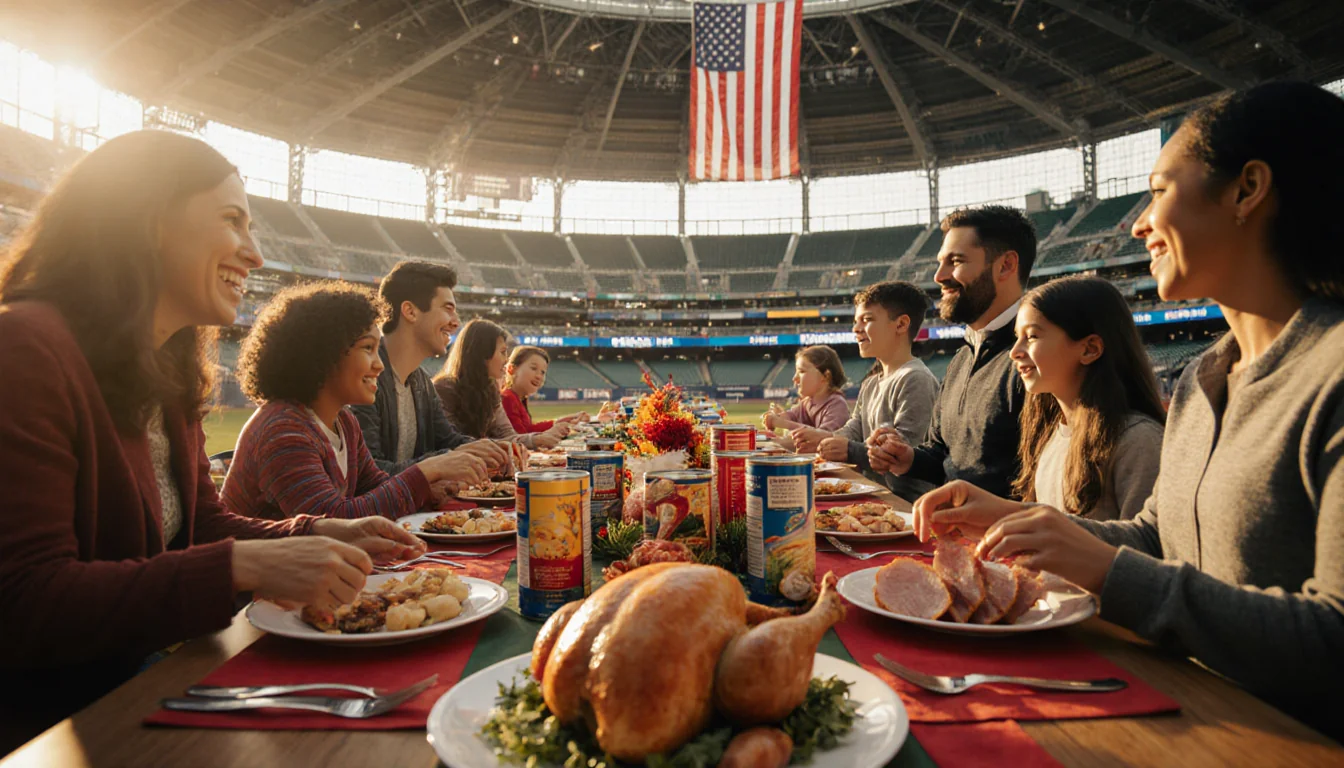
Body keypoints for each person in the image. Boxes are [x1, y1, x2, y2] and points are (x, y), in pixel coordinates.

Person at [911, 82, 1344, 738]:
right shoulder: (1204, 378)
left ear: (1248, 189)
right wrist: (1017, 519)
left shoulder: (1333, 373)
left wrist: (1112, 574)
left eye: (1161, 189)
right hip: (1193, 719)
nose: (1140, 222)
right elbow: (1156, 536)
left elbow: (1333, 637)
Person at [0, 131, 423, 752]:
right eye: (233, 221)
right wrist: (242, 566)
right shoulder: (26, 349)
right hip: (57, 730)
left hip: (149, 683)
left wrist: (315, 533)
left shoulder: (166, 370)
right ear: (147, 220)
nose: (254, 254)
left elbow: (199, 522)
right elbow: (22, 601)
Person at [223, 282, 491, 521]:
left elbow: (374, 487)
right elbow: (335, 520)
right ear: (323, 353)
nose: (379, 365)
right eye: (367, 348)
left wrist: (430, 490)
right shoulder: (283, 429)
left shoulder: (344, 421)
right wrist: (426, 471)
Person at [866, 205, 1034, 499]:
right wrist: (907, 459)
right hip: (952, 537)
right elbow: (943, 456)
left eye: (955, 261)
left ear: (1006, 265)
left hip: (1004, 540)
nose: (939, 276)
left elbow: (1046, 488)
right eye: (941, 262)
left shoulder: (1038, 358)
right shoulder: (961, 360)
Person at [1009, 276, 1165, 521]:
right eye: (1017, 337)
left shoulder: (1138, 442)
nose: (1014, 352)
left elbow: (1148, 549)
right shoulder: (1050, 436)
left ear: (1089, 349)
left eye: (1032, 336)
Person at [353, 260, 508, 475]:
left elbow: (448, 439)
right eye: (448, 309)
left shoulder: (422, 382)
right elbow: (368, 473)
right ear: (410, 311)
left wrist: (488, 449)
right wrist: (446, 461)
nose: (456, 322)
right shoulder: (364, 376)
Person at [792, 282, 939, 493]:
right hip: (872, 494)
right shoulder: (871, 383)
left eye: (867, 320)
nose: (856, 329)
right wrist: (823, 438)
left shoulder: (916, 379)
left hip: (905, 504)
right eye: (855, 321)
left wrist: (849, 450)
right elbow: (854, 428)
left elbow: (904, 453)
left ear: (901, 324)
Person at [434, 318, 567, 449]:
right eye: (503, 352)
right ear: (483, 353)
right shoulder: (444, 389)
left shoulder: (490, 390)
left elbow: (507, 435)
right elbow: (451, 444)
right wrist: (537, 438)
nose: (506, 360)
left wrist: (536, 439)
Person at [763, 345, 851, 450]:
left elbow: (821, 439)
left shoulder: (837, 405)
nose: (794, 378)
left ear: (825, 376)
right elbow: (791, 416)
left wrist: (784, 423)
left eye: (802, 371)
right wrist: (776, 416)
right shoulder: (807, 402)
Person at [500, 345, 588, 434]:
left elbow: (529, 429)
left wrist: (567, 420)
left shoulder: (518, 398)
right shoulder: (507, 398)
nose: (539, 376)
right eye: (533, 368)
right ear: (511, 369)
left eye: (543, 372)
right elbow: (521, 438)